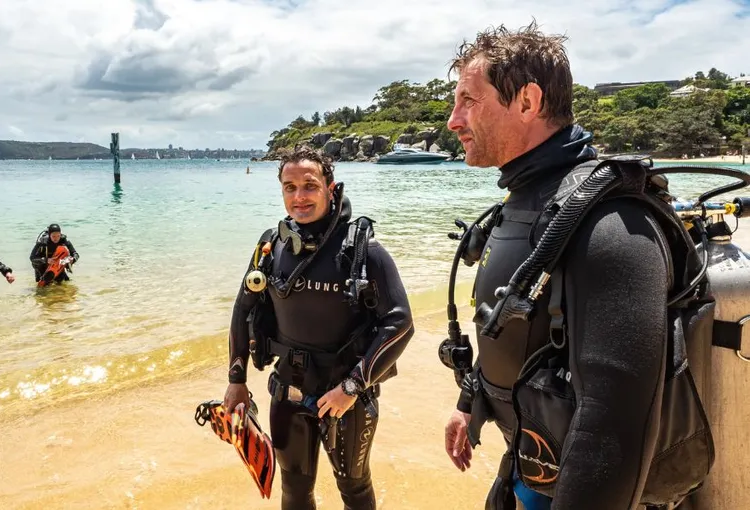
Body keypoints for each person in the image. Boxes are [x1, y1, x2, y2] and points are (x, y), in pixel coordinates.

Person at [442, 22, 694, 509]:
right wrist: (470, 405)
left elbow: (613, 426)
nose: (454, 120)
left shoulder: (613, 222)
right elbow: (516, 333)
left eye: (468, 101)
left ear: (528, 102)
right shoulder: (528, 206)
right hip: (528, 466)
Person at [222, 147, 414, 509]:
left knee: (355, 491)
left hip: (345, 399)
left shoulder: (363, 250)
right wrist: (236, 380)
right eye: (289, 187)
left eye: (309, 186)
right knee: (294, 492)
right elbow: (242, 308)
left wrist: (352, 386)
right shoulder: (270, 246)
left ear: (331, 187)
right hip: (288, 394)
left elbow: (400, 323)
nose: (299, 197)